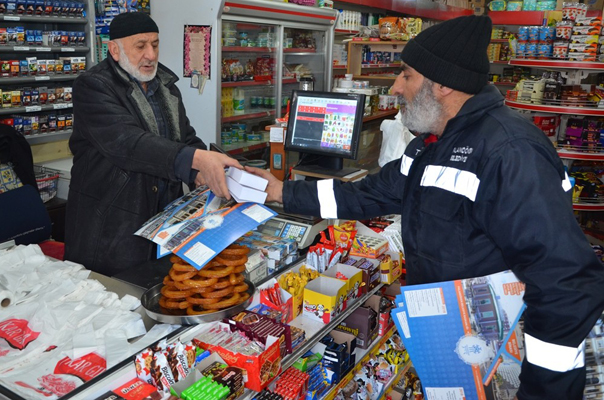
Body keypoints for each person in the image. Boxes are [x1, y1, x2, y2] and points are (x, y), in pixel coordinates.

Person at [247, 15, 604, 399]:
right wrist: (282, 193)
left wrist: (542, 392)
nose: (397, 87)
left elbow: (566, 286)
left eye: (407, 75)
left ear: (443, 84)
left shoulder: (510, 152)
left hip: (504, 355)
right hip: (454, 343)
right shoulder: (431, 143)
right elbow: (370, 194)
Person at [66, 12, 241, 276]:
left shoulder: (165, 86)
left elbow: (184, 137)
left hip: (164, 222)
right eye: (140, 46)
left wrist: (201, 171)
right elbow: (129, 143)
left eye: (155, 44)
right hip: (113, 228)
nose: (151, 54)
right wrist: (196, 160)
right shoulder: (93, 86)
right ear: (114, 49)